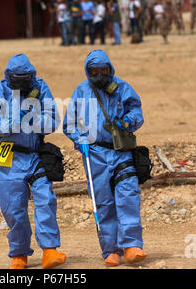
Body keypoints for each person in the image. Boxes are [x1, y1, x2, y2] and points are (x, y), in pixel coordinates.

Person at [63, 49, 146, 267]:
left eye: (103, 70)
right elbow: (69, 123)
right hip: (95, 154)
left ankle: (132, 246)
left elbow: (136, 111)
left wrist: (127, 121)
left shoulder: (122, 88)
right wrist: (78, 140)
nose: (99, 75)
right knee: (103, 202)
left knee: (128, 196)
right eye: (94, 71)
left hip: (121, 151)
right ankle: (111, 250)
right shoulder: (81, 91)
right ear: (87, 72)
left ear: (110, 69)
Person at [0, 53, 67, 269]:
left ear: (32, 75)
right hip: (9, 155)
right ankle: (19, 254)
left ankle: (50, 250)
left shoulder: (40, 88)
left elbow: (53, 120)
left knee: (45, 199)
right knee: (12, 207)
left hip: (35, 153)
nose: (21, 81)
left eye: (25, 77)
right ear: (9, 76)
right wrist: (14, 122)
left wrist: (32, 119)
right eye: (17, 78)